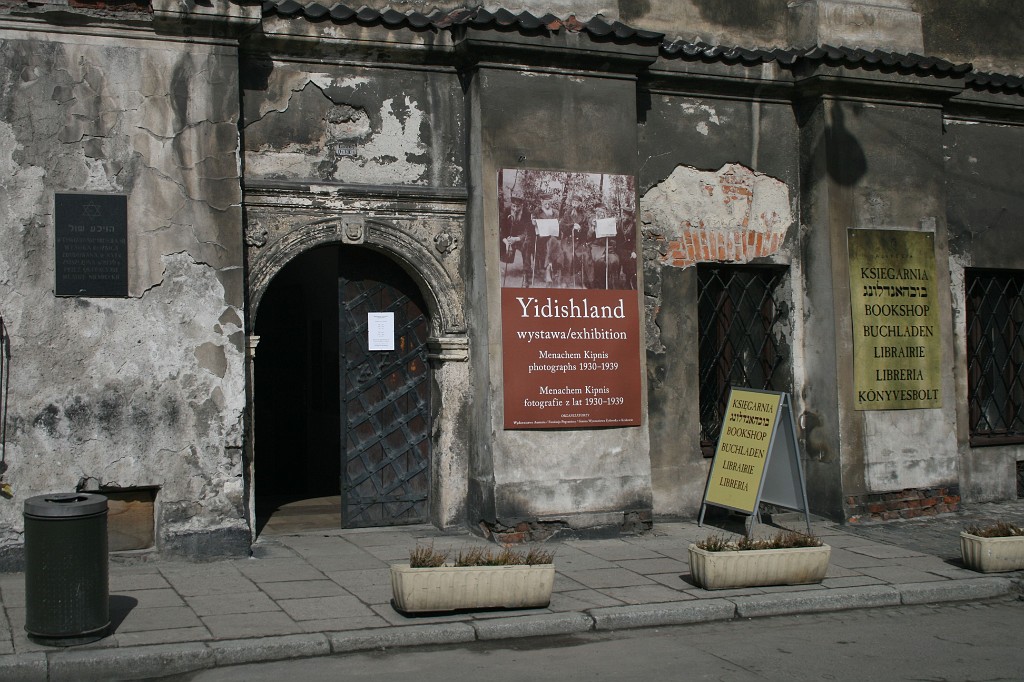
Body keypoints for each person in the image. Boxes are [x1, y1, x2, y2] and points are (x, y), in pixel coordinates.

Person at [501, 196, 534, 286]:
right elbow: (502, 229)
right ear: (511, 205)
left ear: (522, 205)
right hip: (509, 239)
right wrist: (507, 242)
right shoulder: (507, 211)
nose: (515, 209)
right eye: (514, 206)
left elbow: (528, 232)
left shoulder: (526, 213)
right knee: (496, 241)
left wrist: (516, 239)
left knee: (527, 245)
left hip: (520, 239)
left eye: (518, 207)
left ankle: (526, 273)